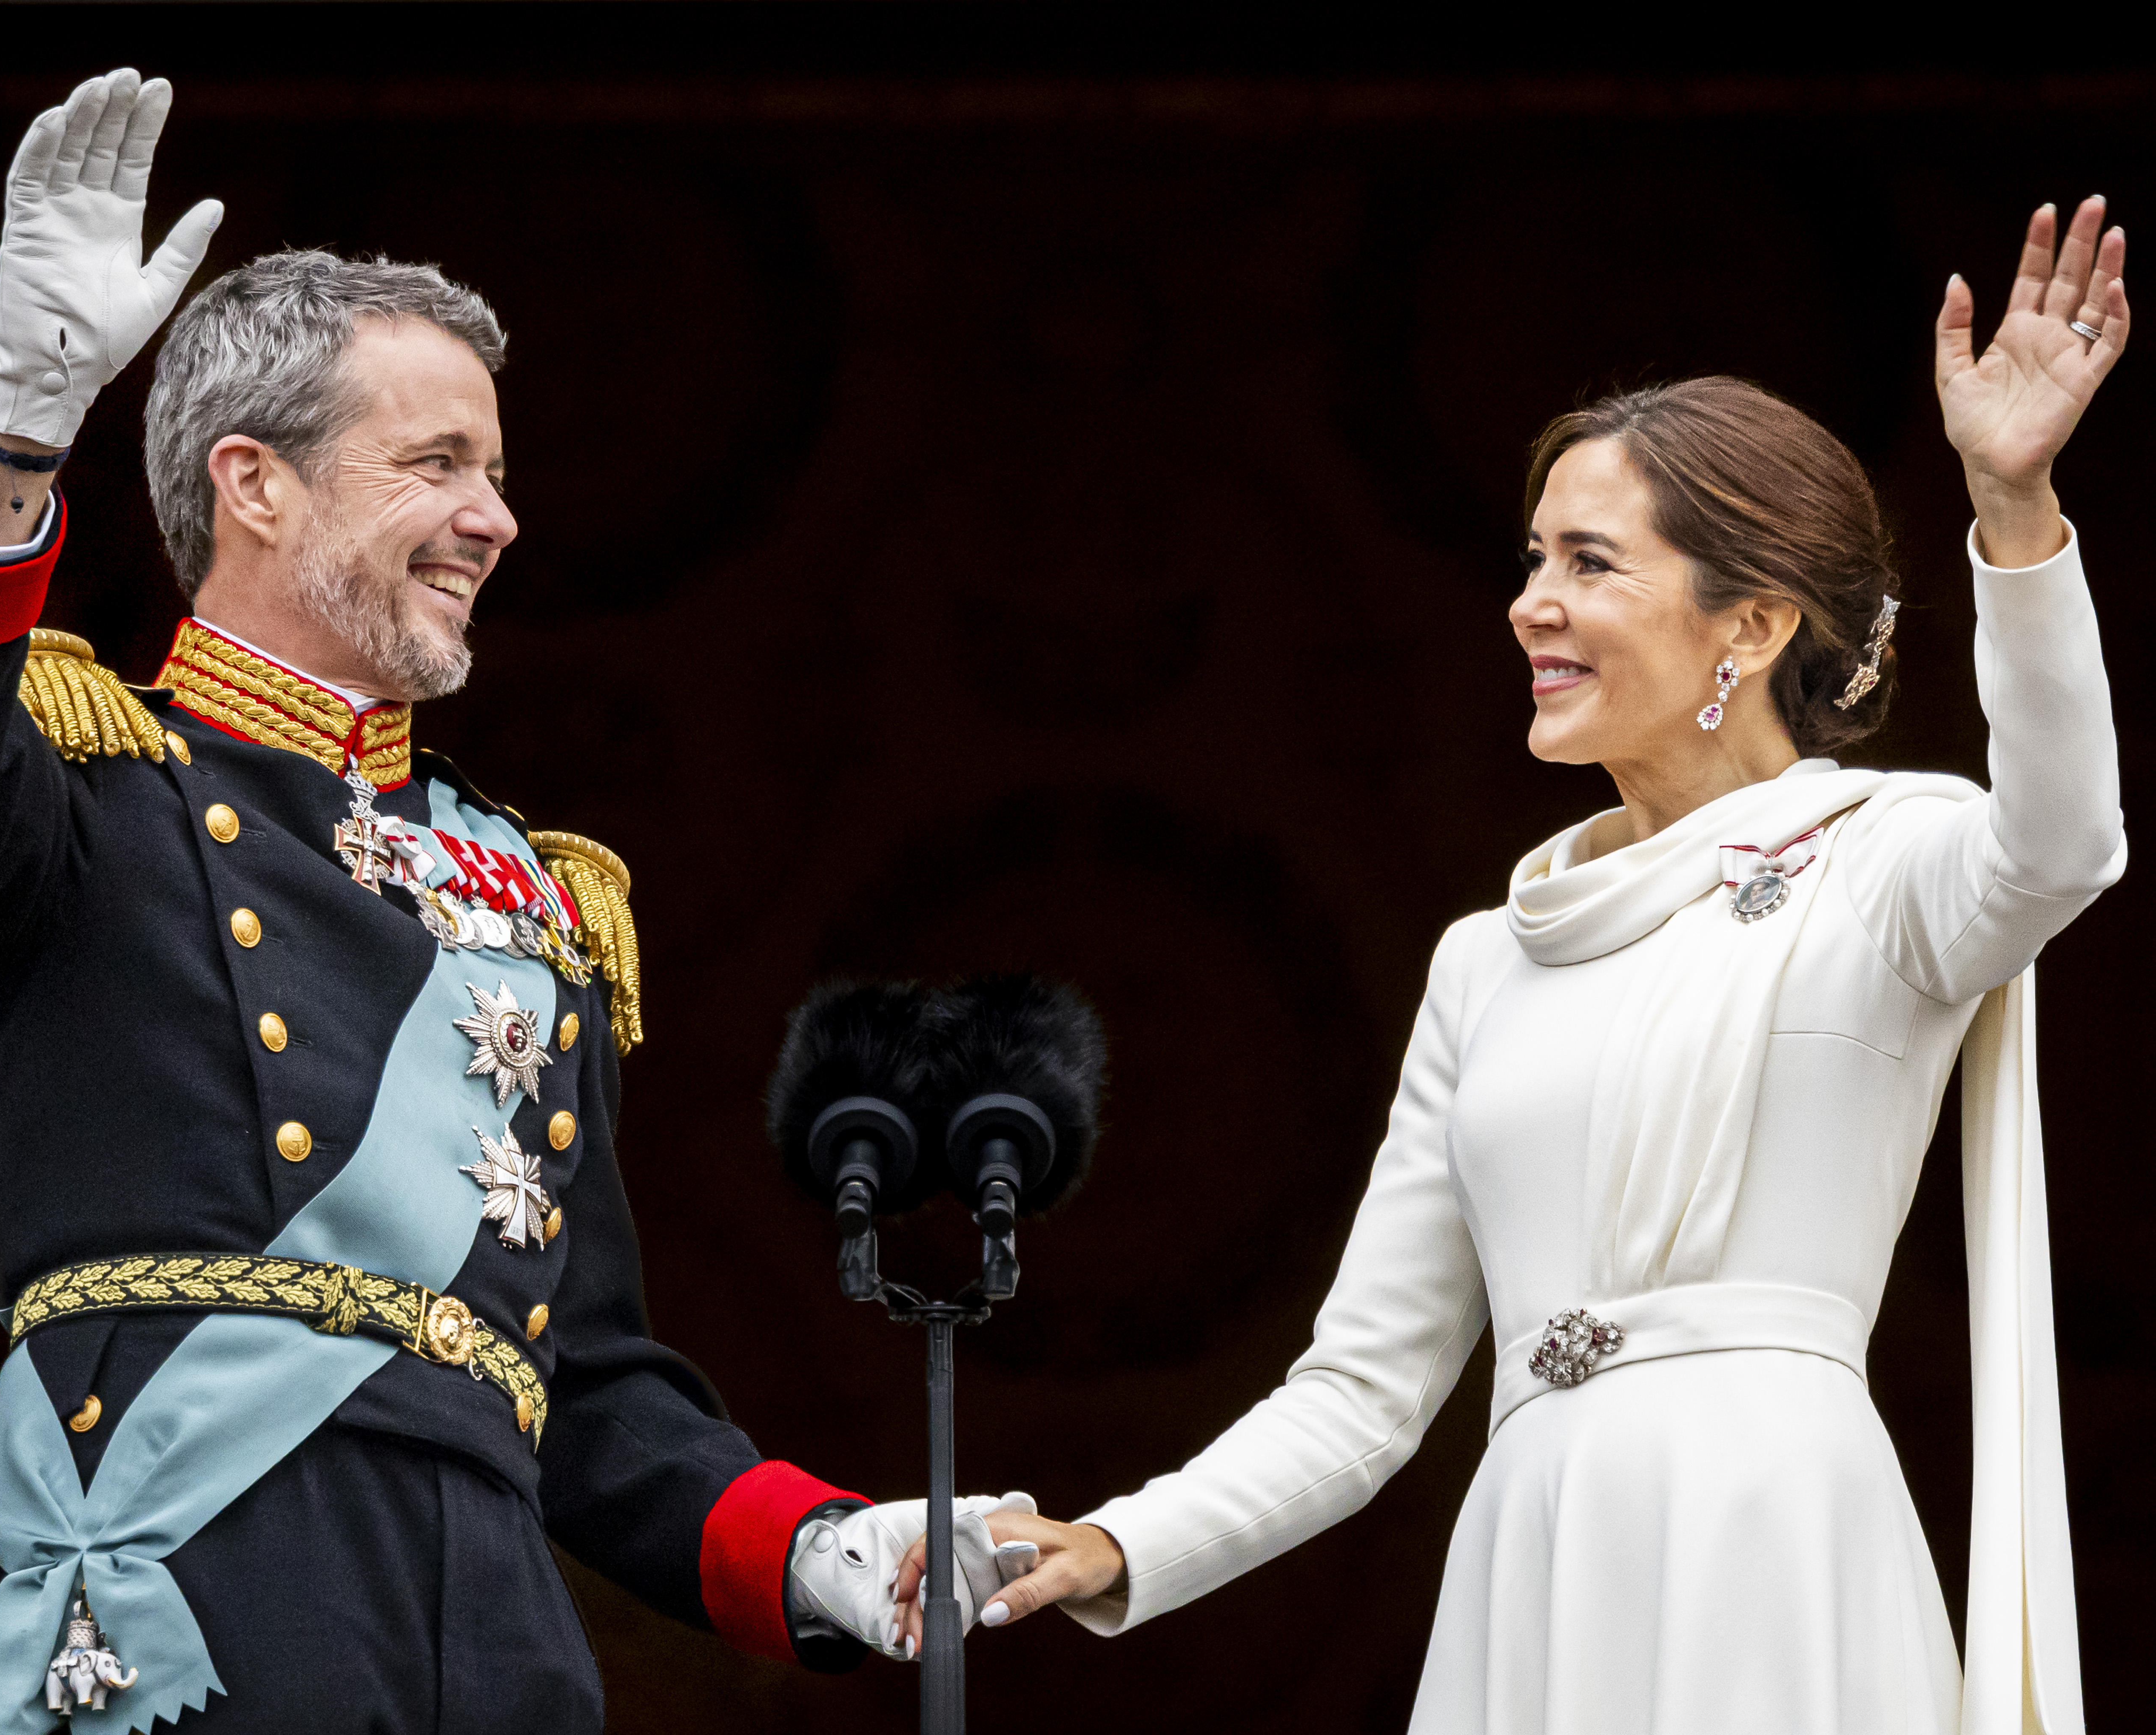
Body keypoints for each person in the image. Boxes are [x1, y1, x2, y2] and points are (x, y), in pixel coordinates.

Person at [0, 70, 1026, 1735]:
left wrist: (823, 1545)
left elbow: (584, 1384)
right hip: (199, 1588)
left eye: (497, 470)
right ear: (257, 487)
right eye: (438, 463)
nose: (495, 520)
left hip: (490, 1637)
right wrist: (20, 422)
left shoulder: (531, 900)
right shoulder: (83, 798)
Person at [906, 198, 2131, 1732]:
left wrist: (2014, 511)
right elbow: (1360, 1396)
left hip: (1775, 1534)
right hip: (1536, 1548)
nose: (1529, 604)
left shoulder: (1887, 859)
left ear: (1748, 622)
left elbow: (2066, 846)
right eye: (1533, 555)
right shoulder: (1487, 959)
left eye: (1591, 564)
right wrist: (1116, 1544)